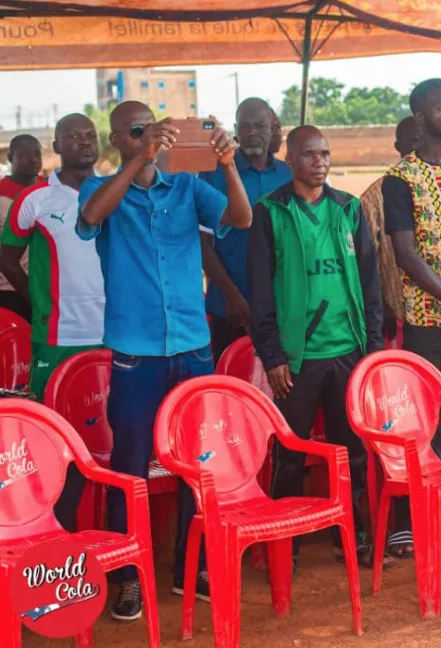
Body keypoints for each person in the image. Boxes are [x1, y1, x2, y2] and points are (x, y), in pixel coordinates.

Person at [77, 101, 252, 620]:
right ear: (117, 140)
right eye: (136, 131)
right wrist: (141, 158)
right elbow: (91, 218)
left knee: (198, 462)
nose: (148, 136)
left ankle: (191, 568)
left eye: (152, 128)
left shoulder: (187, 187)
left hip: (193, 348)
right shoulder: (100, 189)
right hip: (137, 355)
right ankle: (128, 575)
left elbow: (240, 218)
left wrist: (227, 165)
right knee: (130, 466)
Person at [248, 125, 384, 568]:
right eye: (309, 154)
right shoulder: (270, 212)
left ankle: (355, 535)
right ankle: (283, 542)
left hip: (348, 353)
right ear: (290, 160)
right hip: (297, 358)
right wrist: (273, 356)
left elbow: (370, 284)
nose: (319, 161)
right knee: (291, 452)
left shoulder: (348, 209)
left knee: (353, 453)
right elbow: (260, 294)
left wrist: (372, 352)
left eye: (324, 153)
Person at [0, 114, 103, 536]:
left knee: (107, 437)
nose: (84, 141)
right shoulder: (36, 198)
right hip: (59, 338)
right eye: (73, 136)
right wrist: (37, 300)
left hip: (114, 336)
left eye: (90, 135)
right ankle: (54, 533)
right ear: (57, 147)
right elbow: (7, 257)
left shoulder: (115, 191)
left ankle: (104, 530)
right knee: (57, 440)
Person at [384, 79, 441, 396]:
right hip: (427, 315)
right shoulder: (401, 177)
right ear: (420, 118)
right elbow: (405, 253)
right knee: (420, 400)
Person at [200, 98, 292, 361]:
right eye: (245, 126)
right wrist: (231, 296)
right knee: (230, 376)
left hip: (283, 305)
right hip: (230, 305)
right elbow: (203, 244)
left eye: (260, 126)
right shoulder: (213, 175)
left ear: (272, 129)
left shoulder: (289, 175)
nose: (252, 132)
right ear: (236, 130)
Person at [360, 116, 421, 340]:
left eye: (425, 139)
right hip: (399, 315)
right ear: (398, 146)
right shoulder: (374, 197)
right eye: (414, 141)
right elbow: (365, 260)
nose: (420, 147)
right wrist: (381, 305)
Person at [0, 134, 43, 319]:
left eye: (37, 153)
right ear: (11, 158)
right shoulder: (2, 194)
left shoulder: (49, 191)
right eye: (25, 153)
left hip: (46, 288)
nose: (33, 159)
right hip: (8, 290)